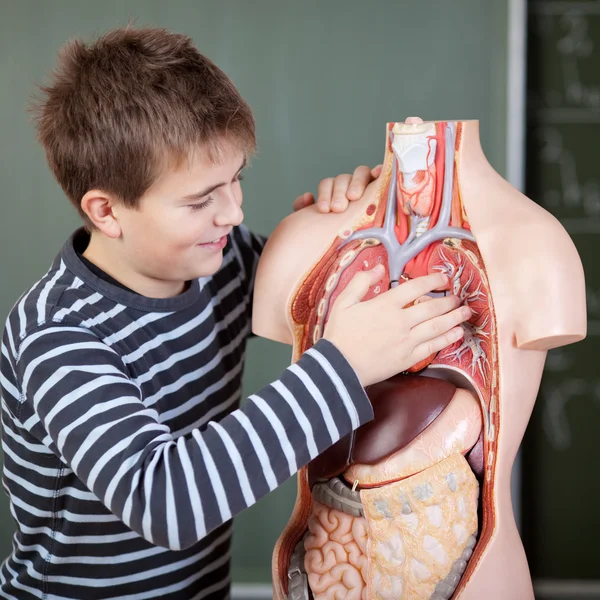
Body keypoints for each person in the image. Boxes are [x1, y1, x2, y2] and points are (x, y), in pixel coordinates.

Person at [0, 27, 469, 600]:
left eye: (236, 180)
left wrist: (336, 226)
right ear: (107, 210)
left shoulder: (223, 261)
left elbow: (313, 289)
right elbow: (166, 502)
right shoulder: (58, 335)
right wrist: (338, 370)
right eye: (201, 200)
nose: (232, 212)